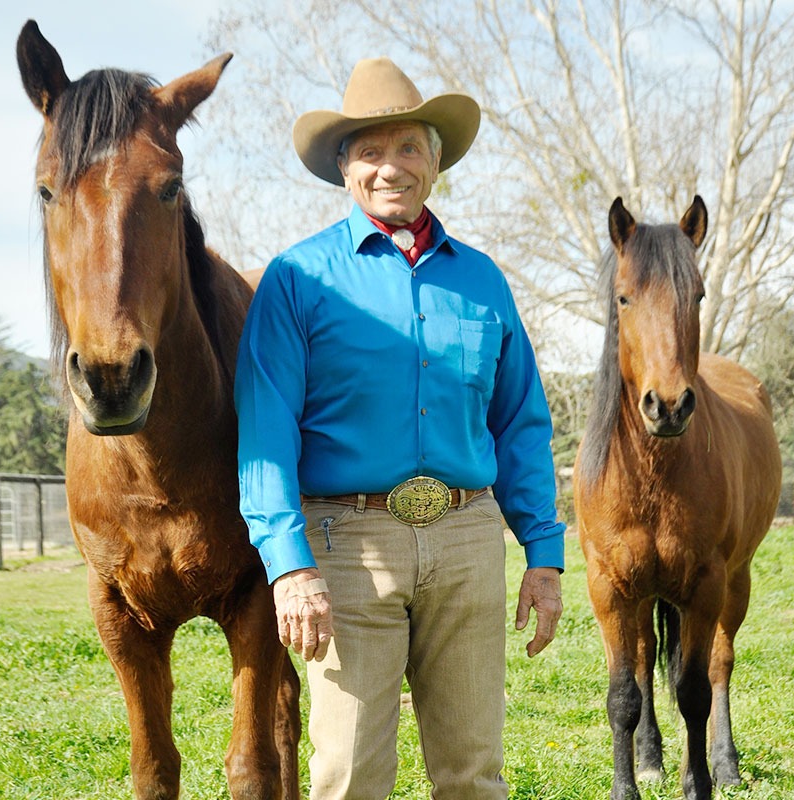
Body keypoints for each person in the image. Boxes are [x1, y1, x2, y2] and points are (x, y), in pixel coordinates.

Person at [235, 56, 565, 800]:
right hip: (346, 548)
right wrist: (289, 566)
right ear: (345, 168)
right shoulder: (298, 279)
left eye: (409, 147)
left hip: (468, 537)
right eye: (371, 151)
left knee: (474, 774)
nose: (391, 167)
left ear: (436, 160)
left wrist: (542, 556)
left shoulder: (482, 279)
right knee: (350, 775)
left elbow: (519, 422)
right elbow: (265, 434)